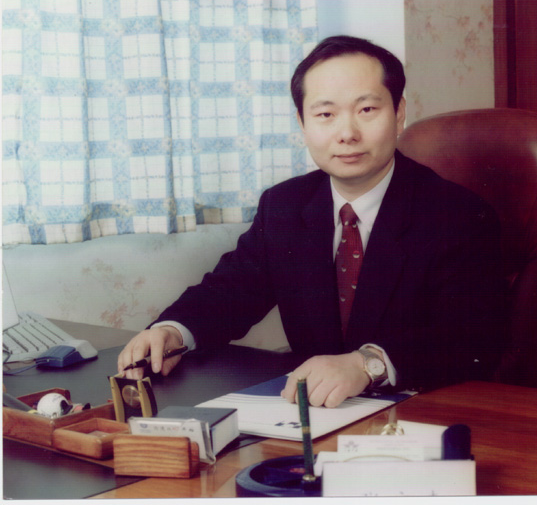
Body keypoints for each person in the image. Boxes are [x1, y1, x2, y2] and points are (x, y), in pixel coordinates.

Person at [117, 35, 505, 407]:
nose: (347, 133)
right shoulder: (285, 205)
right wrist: (172, 331)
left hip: (422, 414)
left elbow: (471, 338)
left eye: (367, 110)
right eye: (325, 115)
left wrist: (367, 364)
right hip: (312, 415)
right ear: (303, 123)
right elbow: (230, 291)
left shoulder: (458, 214)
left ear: (399, 112)